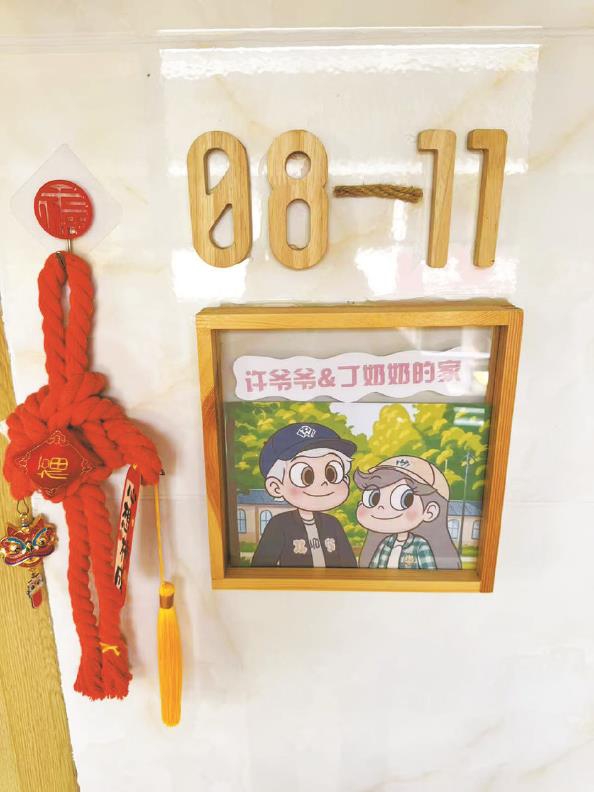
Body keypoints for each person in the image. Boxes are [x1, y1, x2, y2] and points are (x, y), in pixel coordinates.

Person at [251, 422, 357, 567]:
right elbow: (262, 567)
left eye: (332, 473)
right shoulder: (279, 525)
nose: (323, 483)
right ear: (276, 486)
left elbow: (349, 564)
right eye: (306, 476)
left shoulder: (332, 524)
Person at [355, 456, 460, 569]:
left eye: (404, 499)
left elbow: (429, 574)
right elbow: (372, 569)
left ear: (430, 511)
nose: (381, 507)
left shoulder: (420, 546)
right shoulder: (386, 543)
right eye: (373, 498)